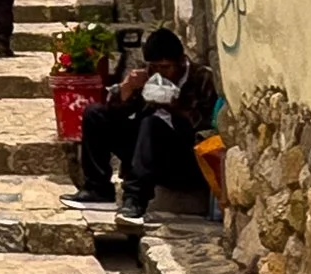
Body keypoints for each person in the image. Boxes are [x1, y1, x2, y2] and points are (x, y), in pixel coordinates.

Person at [71, 28, 221, 221]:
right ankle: (97, 188)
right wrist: (128, 88)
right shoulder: (147, 74)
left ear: (181, 62)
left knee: (152, 124)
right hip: (144, 151)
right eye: (155, 67)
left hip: (181, 156)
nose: (160, 72)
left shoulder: (201, 79)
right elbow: (117, 111)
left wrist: (175, 106)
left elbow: (206, 129)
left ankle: (134, 198)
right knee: (95, 114)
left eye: (166, 67)